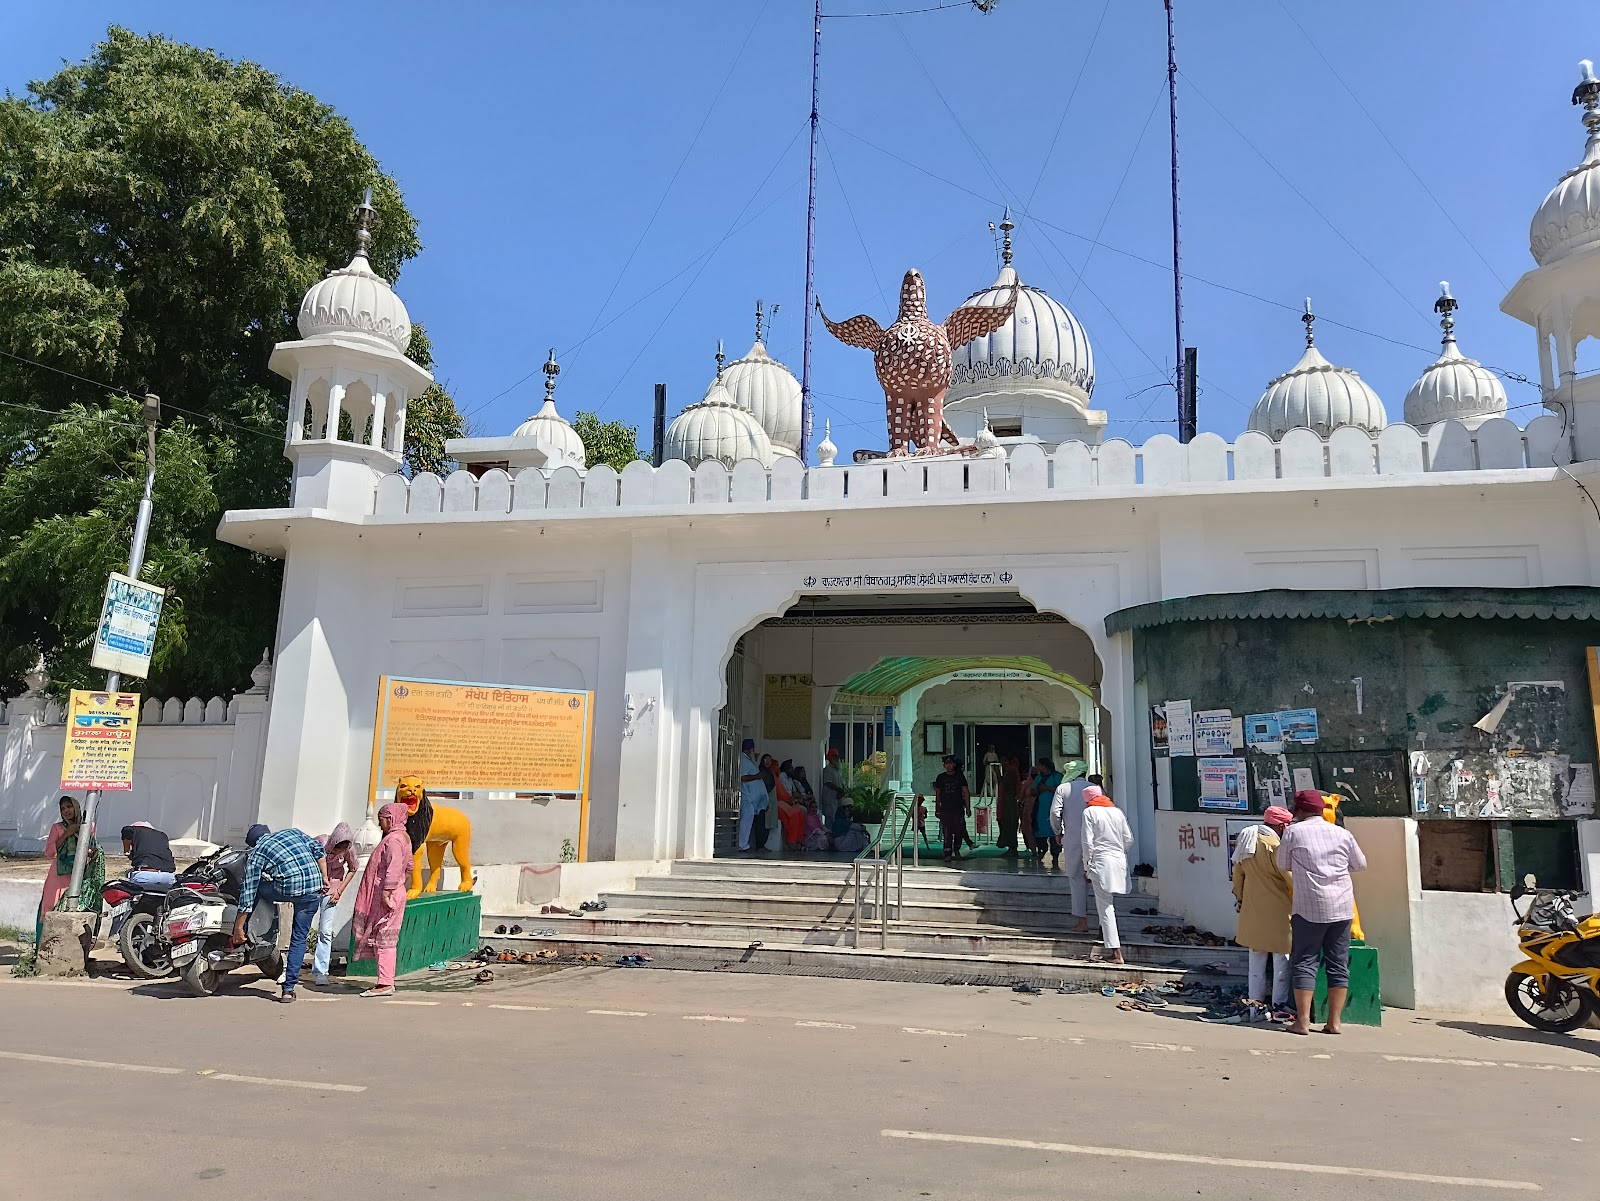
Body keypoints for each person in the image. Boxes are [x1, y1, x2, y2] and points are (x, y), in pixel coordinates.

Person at [1276, 789, 1368, 1035]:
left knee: (1305, 961)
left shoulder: (1294, 832)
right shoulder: (1342, 833)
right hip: (1342, 907)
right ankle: (1334, 1022)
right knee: (1338, 964)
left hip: (1308, 907)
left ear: (1299, 810)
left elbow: (1282, 864)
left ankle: (1303, 1022)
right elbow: (1360, 864)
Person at [232, 825, 328, 1003]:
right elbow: (319, 850)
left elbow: (248, 892)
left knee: (257, 888)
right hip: (314, 888)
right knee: (299, 939)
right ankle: (288, 990)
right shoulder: (293, 832)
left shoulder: (258, 852)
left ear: (253, 843)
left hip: (288, 888)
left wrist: (238, 927)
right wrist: (325, 877)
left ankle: (248, 931)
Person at [1232, 805, 1294, 1021]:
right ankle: (1279, 1006)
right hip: (1279, 911)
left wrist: (1240, 898)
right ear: (1282, 826)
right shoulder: (1276, 846)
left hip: (1252, 908)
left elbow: (1238, 875)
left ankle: (1254, 1007)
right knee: (1281, 961)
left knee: (1256, 962)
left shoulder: (1246, 840)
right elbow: (1290, 879)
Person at [352, 803, 410, 998]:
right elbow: (409, 867)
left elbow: (394, 866)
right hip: (395, 891)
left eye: (382, 819)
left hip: (389, 894)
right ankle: (385, 981)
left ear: (391, 819)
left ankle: (385, 983)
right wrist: (400, 883)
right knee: (382, 938)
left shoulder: (393, 840)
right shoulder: (404, 837)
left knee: (384, 939)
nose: (380, 824)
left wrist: (387, 891)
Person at [37, 796, 102, 945]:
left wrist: (91, 851)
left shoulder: (88, 826)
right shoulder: (57, 828)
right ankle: (43, 946)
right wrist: (67, 833)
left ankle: (70, 945)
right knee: (51, 907)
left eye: (69, 806)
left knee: (76, 908)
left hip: (79, 873)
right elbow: (49, 853)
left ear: (76, 807)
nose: (66, 810)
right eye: (63, 809)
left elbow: (92, 847)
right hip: (58, 876)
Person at [1081, 784, 1134, 964]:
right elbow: (1129, 840)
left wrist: (1087, 866)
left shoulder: (1089, 813)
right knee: (1107, 905)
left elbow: (1087, 842)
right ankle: (1104, 935)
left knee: (1105, 907)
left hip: (1101, 862)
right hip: (1119, 862)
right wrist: (1118, 852)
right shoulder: (1117, 812)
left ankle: (1115, 952)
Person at [310, 822, 359, 986]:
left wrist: (339, 891)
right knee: (302, 927)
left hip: (332, 891)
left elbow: (353, 868)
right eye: (337, 848)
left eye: (342, 850)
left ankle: (321, 971)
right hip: (313, 888)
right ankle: (292, 967)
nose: (339, 852)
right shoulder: (320, 842)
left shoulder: (349, 849)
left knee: (325, 930)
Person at [1053, 772, 1100, 931]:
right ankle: (1103, 923)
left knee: (1076, 878)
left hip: (1074, 839)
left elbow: (1055, 813)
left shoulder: (1063, 789)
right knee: (1098, 881)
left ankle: (1082, 921)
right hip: (1096, 840)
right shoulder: (1095, 789)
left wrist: (1058, 831)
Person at [932, 754, 970, 862]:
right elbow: (938, 794)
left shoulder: (959, 776)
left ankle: (957, 851)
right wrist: (937, 808)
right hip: (945, 808)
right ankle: (947, 853)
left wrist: (968, 808)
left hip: (958, 808)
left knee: (959, 831)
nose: (949, 766)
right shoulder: (941, 777)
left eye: (951, 763)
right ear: (944, 765)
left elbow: (966, 792)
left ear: (954, 764)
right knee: (947, 832)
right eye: (947, 763)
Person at [121, 821, 176, 888]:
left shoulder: (134, 830)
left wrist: (126, 851)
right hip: (168, 878)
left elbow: (127, 830)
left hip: (144, 876)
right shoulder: (162, 836)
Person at [737, 739, 767, 853]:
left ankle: (743, 844)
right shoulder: (744, 761)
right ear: (750, 750)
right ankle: (742, 845)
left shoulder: (749, 760)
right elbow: (743, 777)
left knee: (748, 820)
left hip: (750, 797)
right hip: (746, 796)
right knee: (746, 820)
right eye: (753, 750)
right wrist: (757, 777)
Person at [1033, 759, 1063, 866]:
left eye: (1039, 765)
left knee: (1054, 832)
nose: (1037, 767)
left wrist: (1047, 788)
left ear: (1044, 766)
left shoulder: (1057, 776)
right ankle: (1042, 851)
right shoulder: (1039, 778)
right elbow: (1033, 791)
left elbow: (1061, 789)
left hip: (1054, 808)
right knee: (1040, 833)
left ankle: (1055, 857)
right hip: (1041, 810)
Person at [996, 755, 1021, 857]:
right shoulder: (1011, 770)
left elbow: (1006, 784)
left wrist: (998, 774)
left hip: (1009, 803)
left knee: (1010, 825)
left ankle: (1012, 848)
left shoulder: (1011, 771)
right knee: (1009, 825)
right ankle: (1011, 848)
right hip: (1007, 801)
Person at [820, 747, 846, 824]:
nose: (837, 759)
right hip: (830, 798)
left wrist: (842, 791)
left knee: (838, 817)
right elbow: (828, 783)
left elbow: (841, 782)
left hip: (837, 798)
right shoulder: (827, 770)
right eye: (835, 757)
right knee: (830, 818)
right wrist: (839, 790)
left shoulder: (837, 770)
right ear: (831, 758)